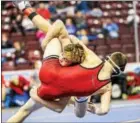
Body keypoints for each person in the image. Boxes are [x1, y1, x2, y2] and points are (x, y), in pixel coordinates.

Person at [7, 1, 127, 122]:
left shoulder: (93, 60)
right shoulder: (106, 86)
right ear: (117, 71)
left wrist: (49, 43)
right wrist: (94, 109)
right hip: (59, 91)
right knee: (78, 107)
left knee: (56, 34)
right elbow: (104, 110)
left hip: (50, 72)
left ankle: (25, 7)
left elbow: (69, 35)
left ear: (108, 58)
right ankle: (81, 100)